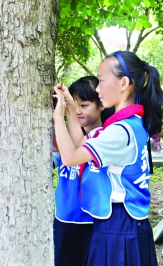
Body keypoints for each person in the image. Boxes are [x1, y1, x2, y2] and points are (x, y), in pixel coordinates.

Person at [53, 51, 163, 266]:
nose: (97, 88)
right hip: (121, 225)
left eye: (102, 80)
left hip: (119, 227)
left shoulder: (121, 131)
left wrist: (58, 117)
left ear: (124, 83)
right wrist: (69, 108)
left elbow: (70, 157)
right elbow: (81, 145)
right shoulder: (127, 124)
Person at [53, 76, 114, 266]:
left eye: (85, 105)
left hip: (93, 221)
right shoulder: (62, 137)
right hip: (64, 217)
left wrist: (60, 118)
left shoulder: (107, 137)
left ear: (101, 104)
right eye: (74, 105)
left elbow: (72, 156)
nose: (78, 111)